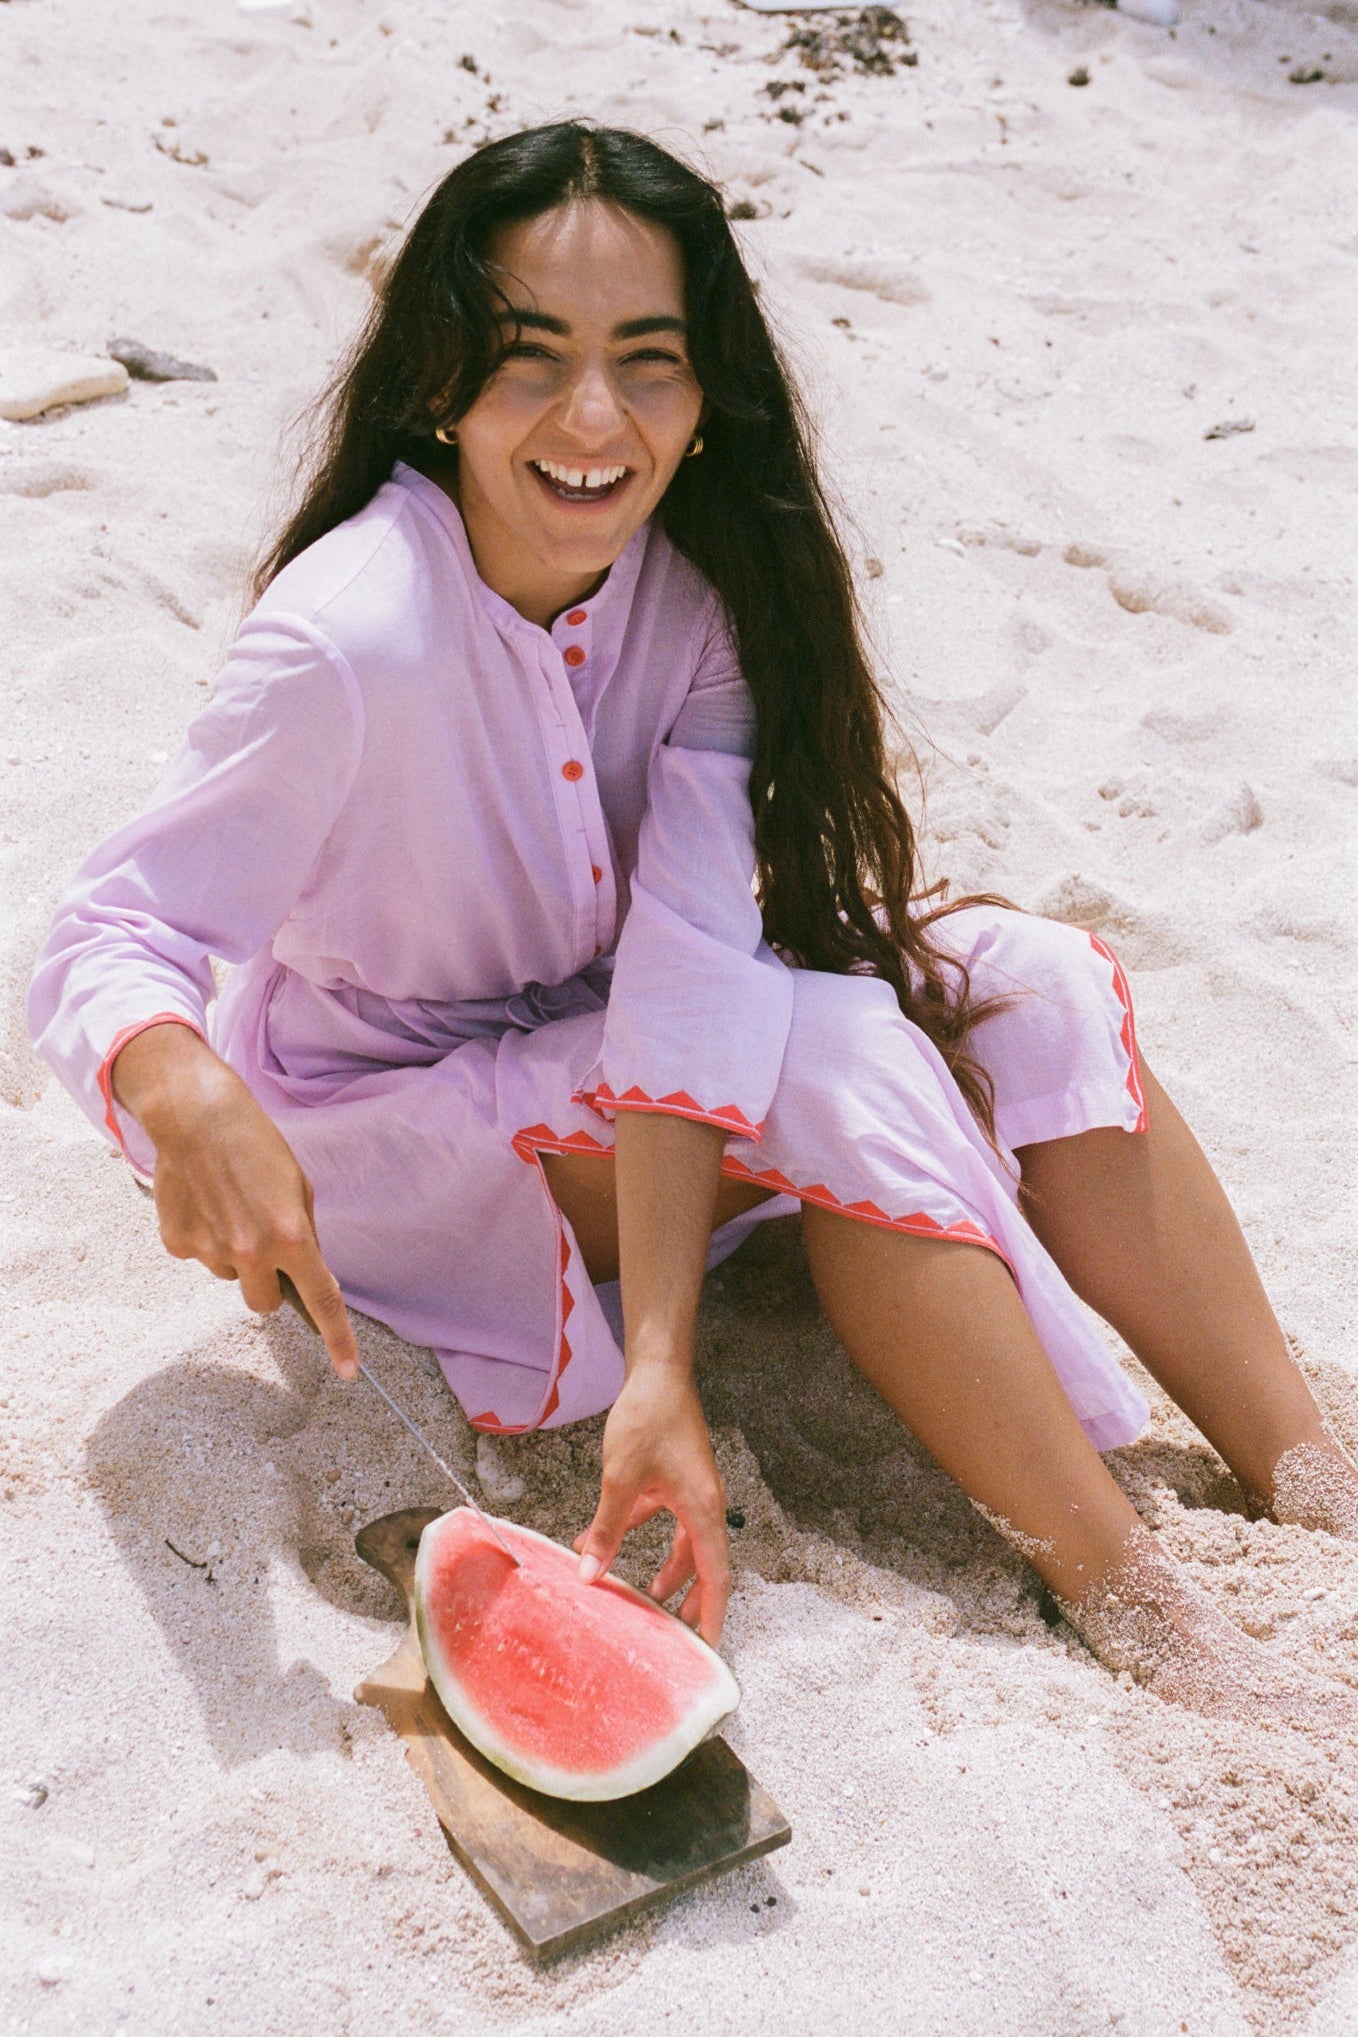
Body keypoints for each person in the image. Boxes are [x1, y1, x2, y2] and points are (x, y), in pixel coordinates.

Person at [29, 122, 1357, 1720]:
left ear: (706, 391)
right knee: (836, 1050)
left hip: (603, 1073)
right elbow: (108, 931)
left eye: (645, 362)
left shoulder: (699, 598)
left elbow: (689, 963)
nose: (593, 417)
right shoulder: (346, 638)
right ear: (440, 379)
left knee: (1036, 983)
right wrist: (178, 1081)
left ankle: (1309, 1474)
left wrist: (659, 1359)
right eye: (531, 356)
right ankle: (1138, 1602)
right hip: (385, 1147)